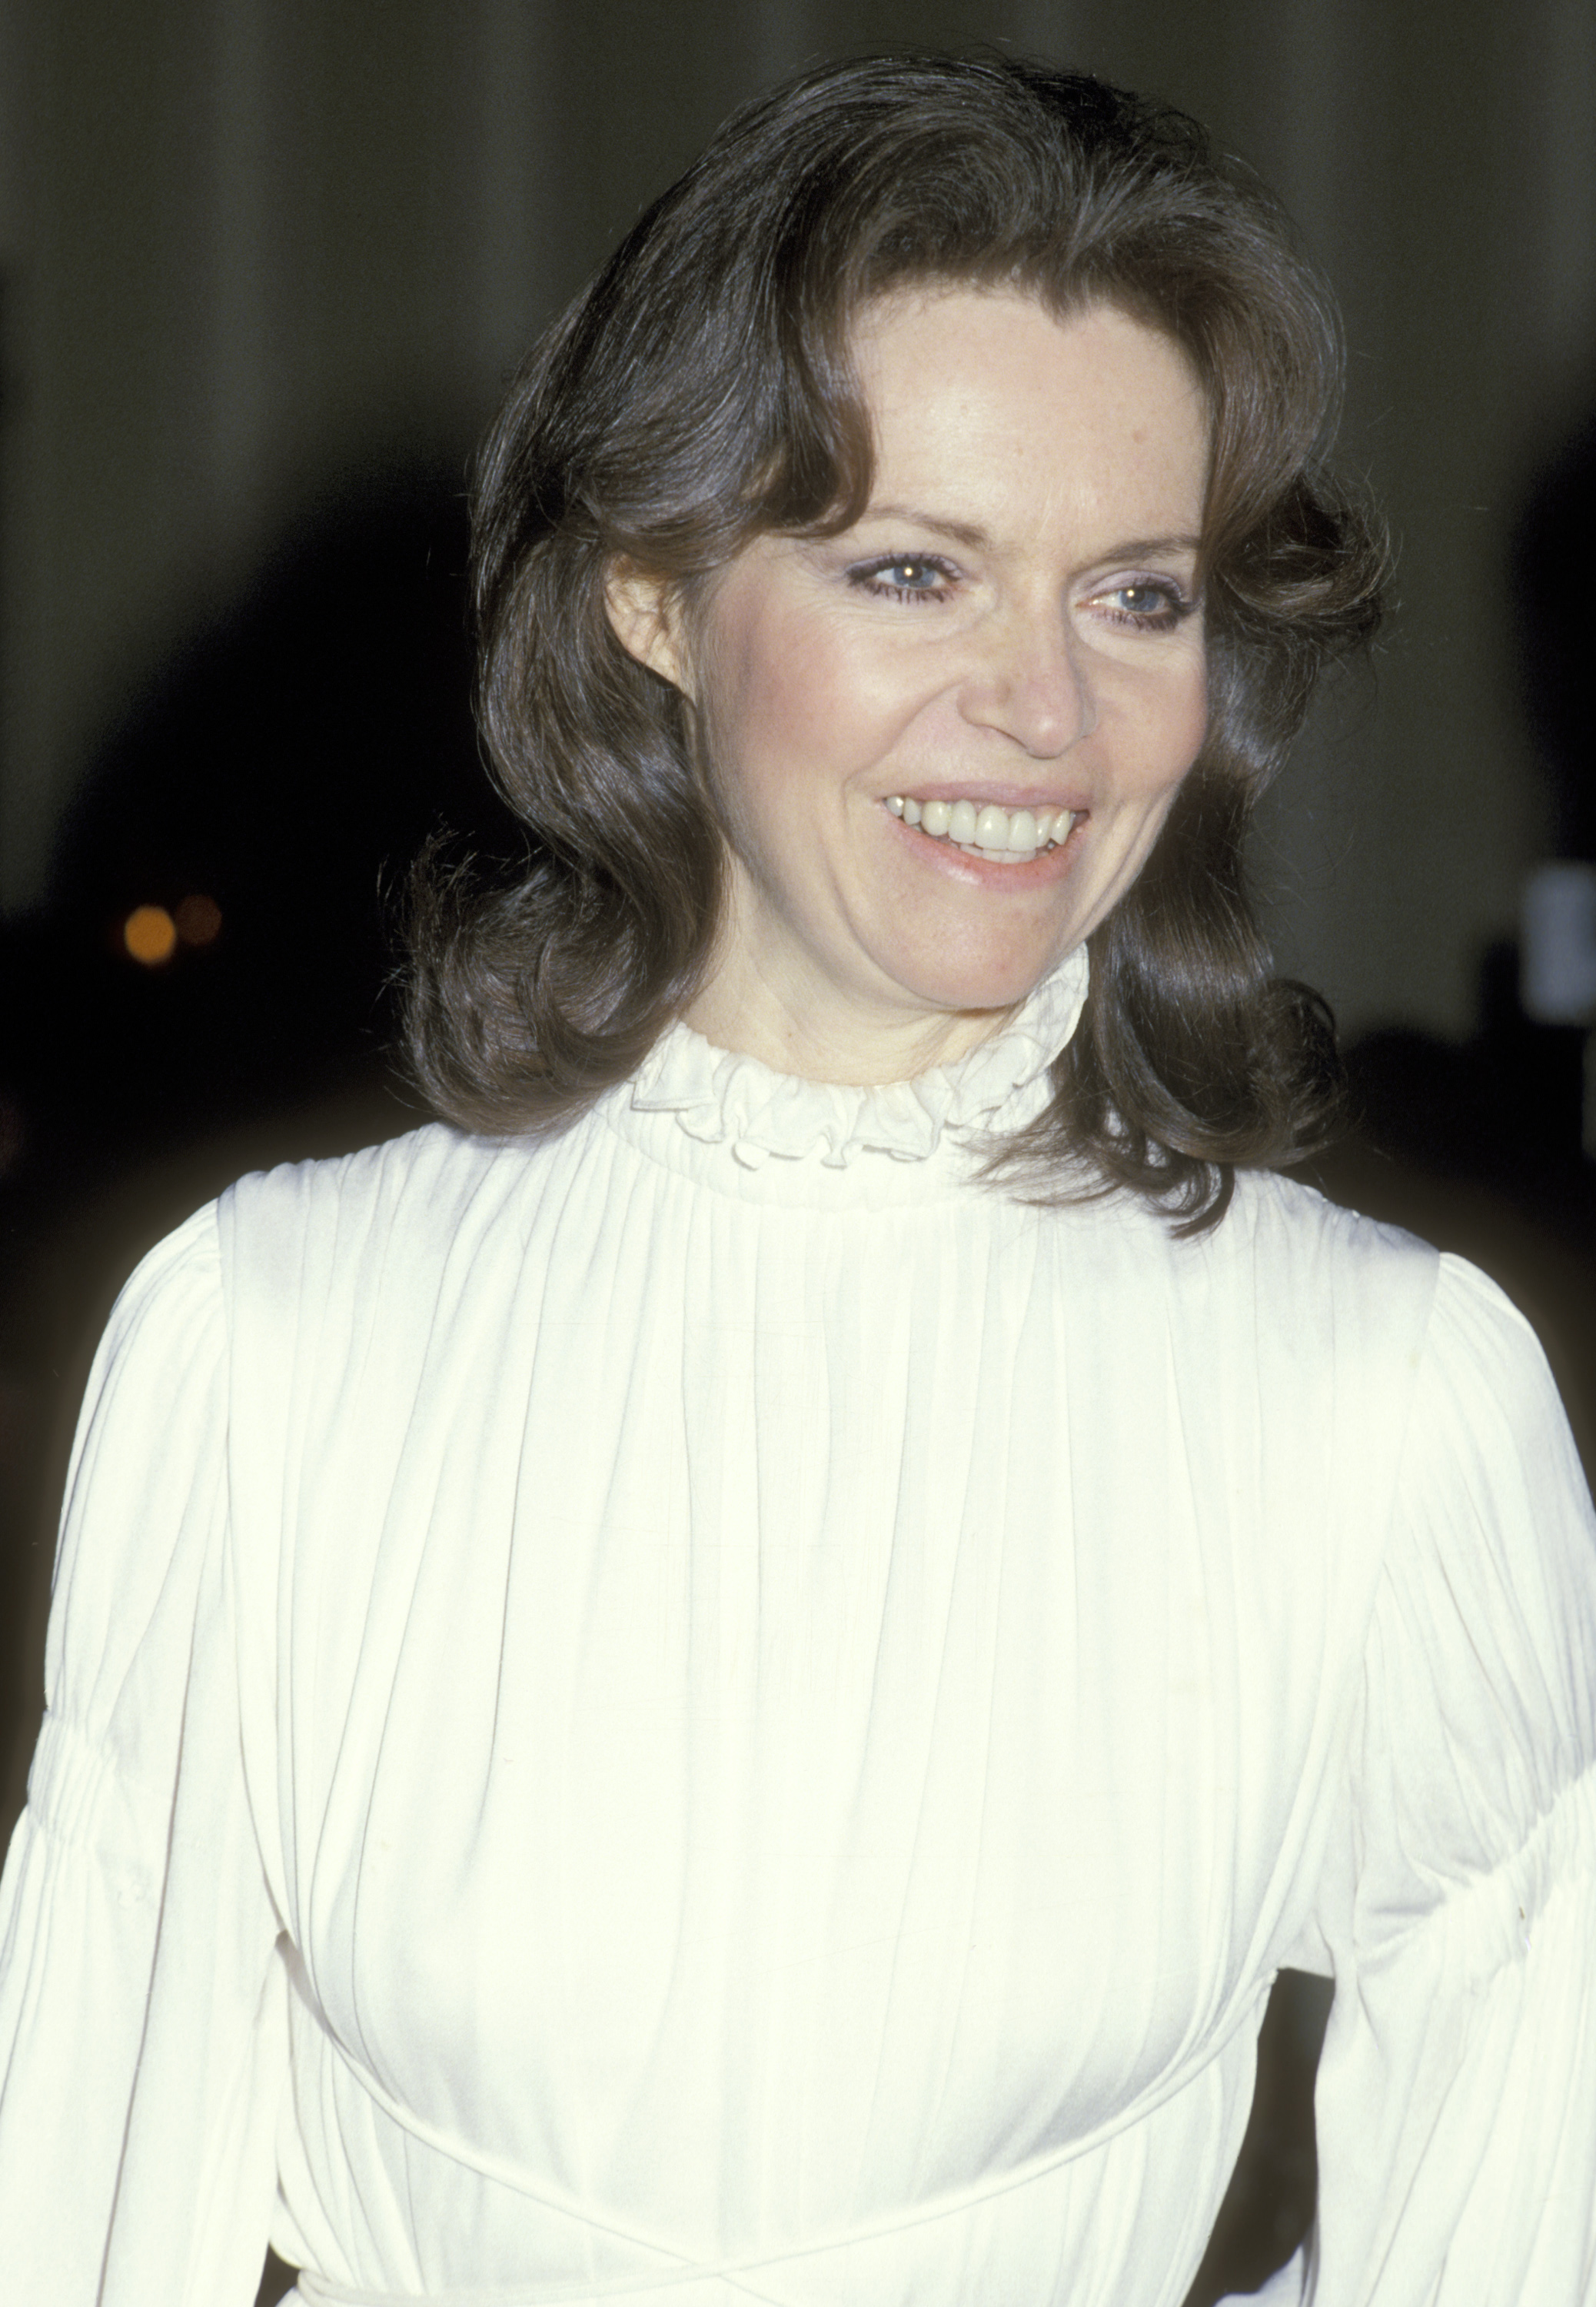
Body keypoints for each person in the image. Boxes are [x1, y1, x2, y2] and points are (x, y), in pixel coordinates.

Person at [2, 50, 1593, 2307]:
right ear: (654, 596)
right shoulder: (268, 1345)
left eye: (1133, 597)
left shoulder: (1384, 1401)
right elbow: (78, 2215)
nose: (1040, 708)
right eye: (912, 569)